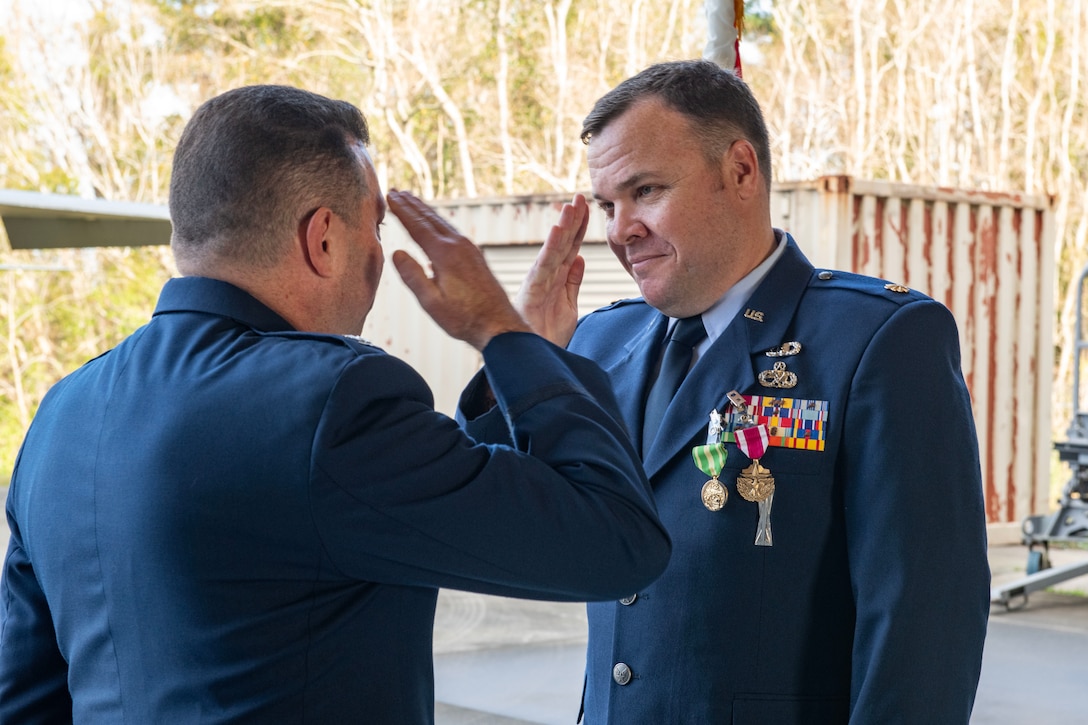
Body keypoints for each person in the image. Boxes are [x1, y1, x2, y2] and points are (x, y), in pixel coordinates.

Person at [0, 85, 672, 723]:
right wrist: (504, 335)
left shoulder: (62, 413)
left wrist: (519, 366)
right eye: (375, 224)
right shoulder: (330, 400)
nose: (380, 252)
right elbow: (615, 542)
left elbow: (24, 701)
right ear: (322, 238)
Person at [462, 60, 990, 723]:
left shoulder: (876, 340)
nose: (620, 229)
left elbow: (924, 621)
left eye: (645, 190)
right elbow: (497, 524)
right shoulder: (598, 341)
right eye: (606, 204)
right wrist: (518, 355)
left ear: (741, 171)